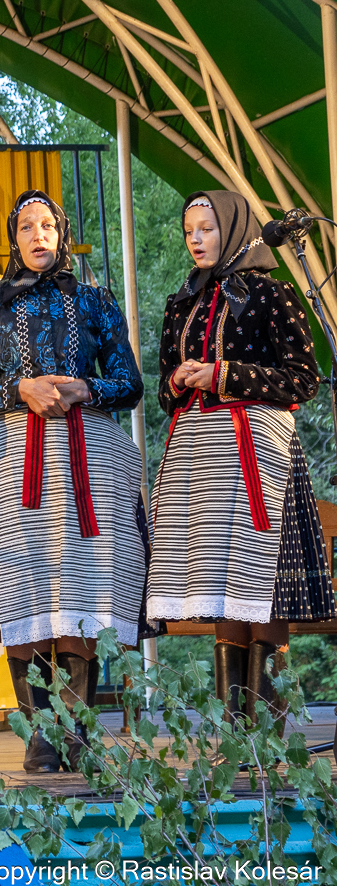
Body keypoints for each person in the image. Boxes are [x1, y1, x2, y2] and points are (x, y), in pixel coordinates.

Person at [0, 189, 150, 773]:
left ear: (62, 235)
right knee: (23, 589)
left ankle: (77, 734)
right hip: (9, 462)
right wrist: (17, 391)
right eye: (26, 226)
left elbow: (130, 383)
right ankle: (39, 737)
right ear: (14, 237)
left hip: (89, 462)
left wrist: (87, 389)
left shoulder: (96, 302)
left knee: (83, 591)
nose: (38, 235)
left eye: (47, 225)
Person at [147, 191, 335, 724]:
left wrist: (225, 374)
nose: (197, 240)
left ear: (231, 229)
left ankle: (268, 727)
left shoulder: (273, 295)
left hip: (257, 451)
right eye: (189, 232)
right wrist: (181, 379)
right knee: (218, 583)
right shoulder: (181, 301)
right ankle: (236, 730)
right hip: (200, 455)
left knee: (260, 586)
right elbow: (163, 386)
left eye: (206, 229)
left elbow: (304, 377)